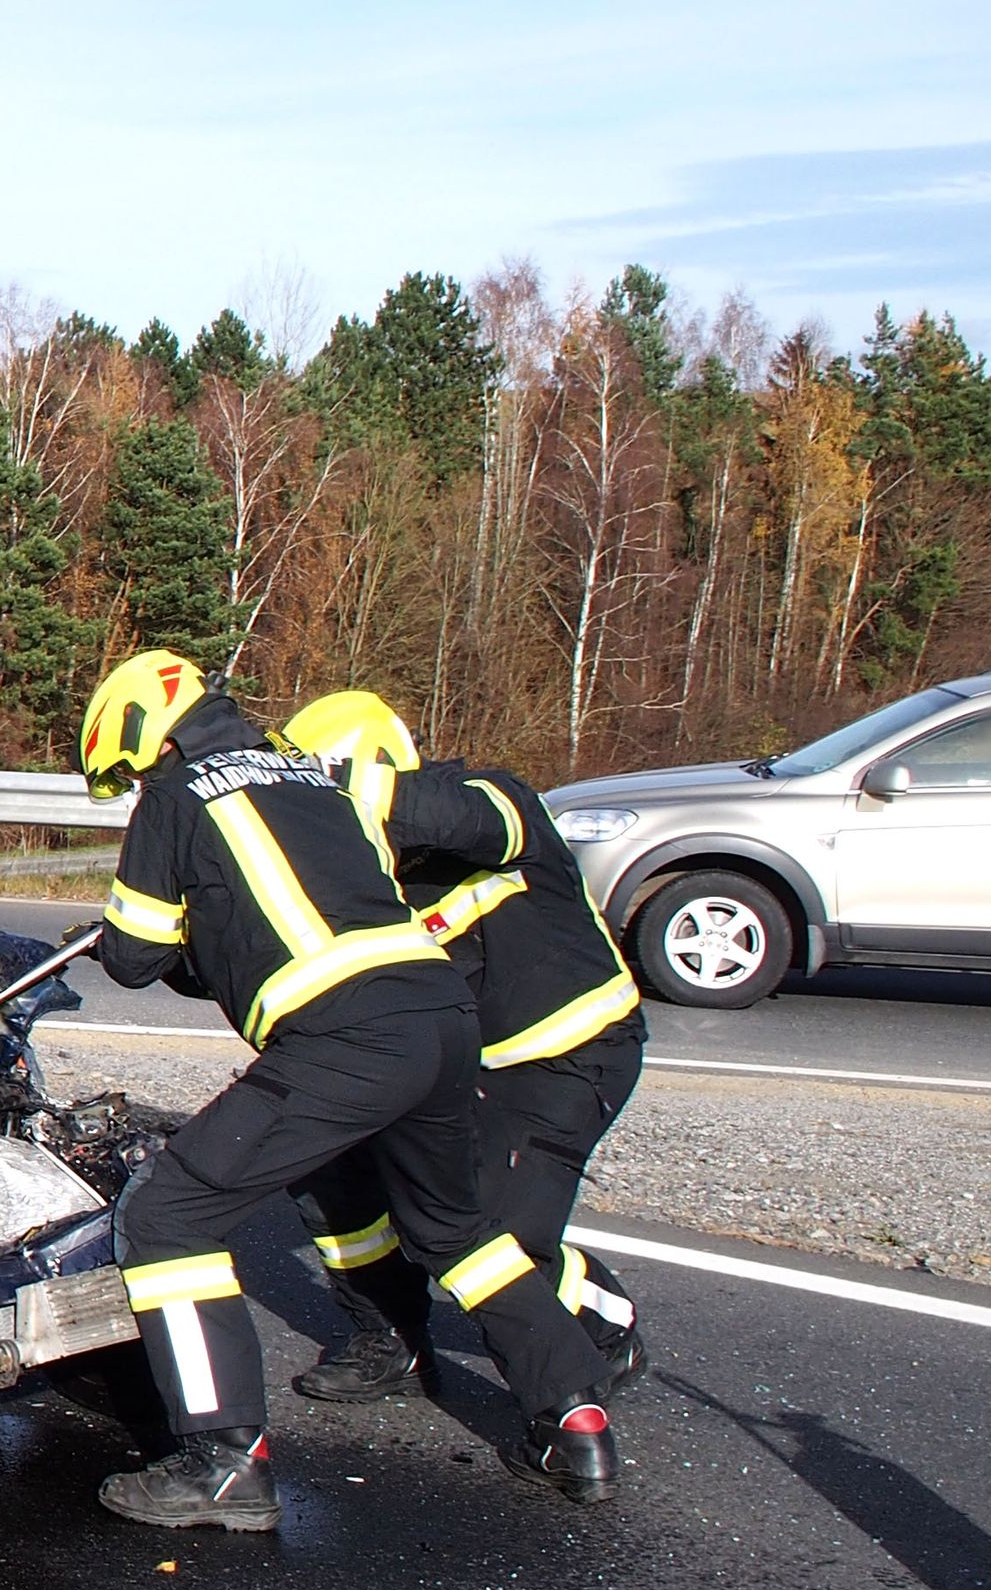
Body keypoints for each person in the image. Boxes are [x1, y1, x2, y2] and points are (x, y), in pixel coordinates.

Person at [77, 650, 625, 1530]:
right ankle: (574, 1419)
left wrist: (117, 929)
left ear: (142, 737)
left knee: (169, 1216)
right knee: (458, 1232)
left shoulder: (176, 799)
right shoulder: (319, 783)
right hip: (443, 1019)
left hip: (344, 1035)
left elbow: (137, 958)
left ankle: (222, 1462)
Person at [277, 692, 649, 1404]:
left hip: (563, 1062)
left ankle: (604, 1320)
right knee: (326, 1161)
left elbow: (456, 819)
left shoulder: (492, 799)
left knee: (488, 1241)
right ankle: (388, 1334)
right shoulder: (359, 870)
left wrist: (331, 787)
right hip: (446, 1066)